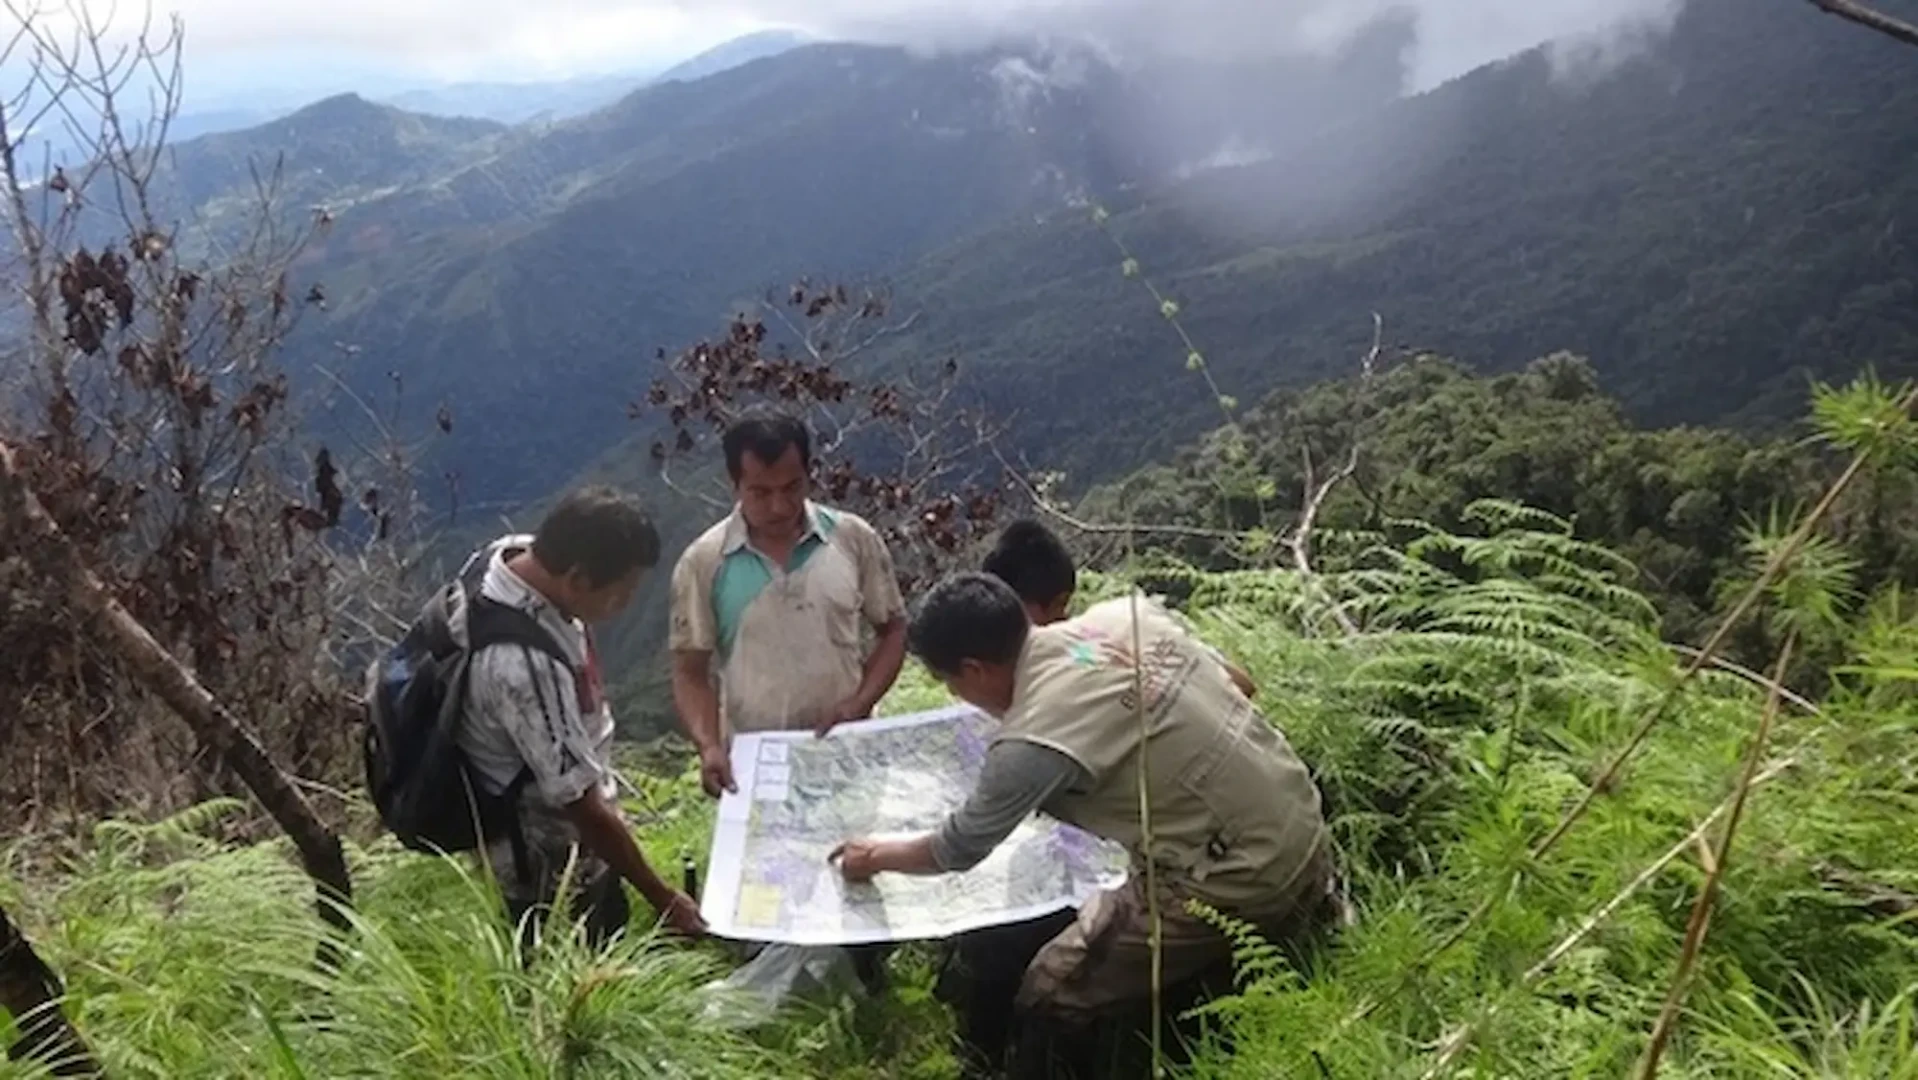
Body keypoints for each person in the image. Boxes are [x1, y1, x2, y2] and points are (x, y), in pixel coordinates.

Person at [832, 573, 1338, 1076]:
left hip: (1243, 877)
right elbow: (1242, 683)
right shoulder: (1123, 618)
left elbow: (959, 847)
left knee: (1052, 987)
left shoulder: (1032, 739)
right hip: (1305, 824)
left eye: (952, 684)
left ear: (973, 670)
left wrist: (872, 857)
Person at [668, 410, 909, 987]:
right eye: (760, 491)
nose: (778, 505)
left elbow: (894, 630)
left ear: (809, 475)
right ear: (735, 485)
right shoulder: (706, 563)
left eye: (791, 487)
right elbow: (690, 669)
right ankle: (776, 1011)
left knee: (856, 879)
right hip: (757, 767)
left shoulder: (851, 539)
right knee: (770, 897)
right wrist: (708, 744)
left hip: (844, 755)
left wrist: (859, 702)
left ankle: (868, 993)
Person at [455, 486, 706, 946]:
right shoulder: (522, 666)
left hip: (573, 825)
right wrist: (664, 897)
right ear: (578, 579)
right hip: (546, 860)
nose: (628, 603)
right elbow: (581, 807)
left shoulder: (512, 557)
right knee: (574, 956)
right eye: (624, 591)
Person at [982, 518, 1259, 698]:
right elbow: (1241, 683)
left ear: (1059, 602)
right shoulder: (1118, 626)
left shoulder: (1079, 656)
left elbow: (1240, 684)